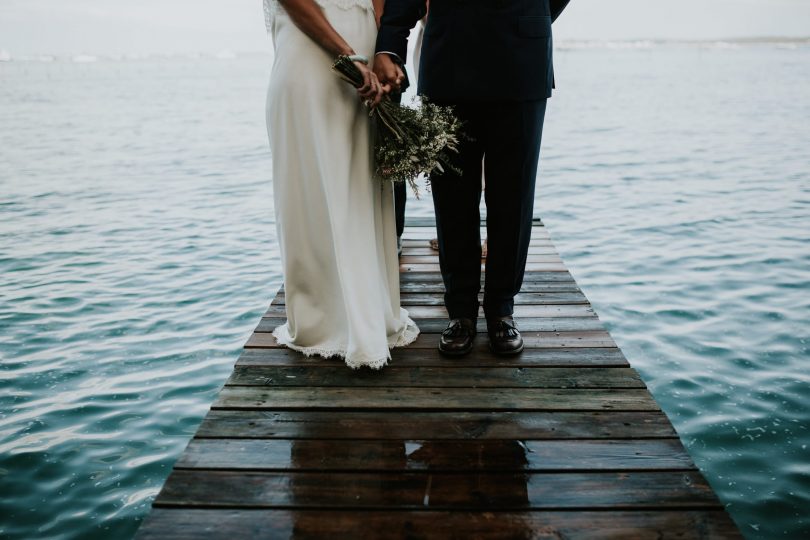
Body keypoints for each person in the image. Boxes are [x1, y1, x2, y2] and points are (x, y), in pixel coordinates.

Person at [374, 0, 570, 356]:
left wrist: (531, 12)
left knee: (514, 197)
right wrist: (390, 43)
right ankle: (460, 311)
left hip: (521, 58)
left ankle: (501, 309)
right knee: (452, 198)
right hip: (450, 61)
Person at [263, 0, 419, 370]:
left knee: (361, 183)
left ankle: (371, 313)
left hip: (366, 53)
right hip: (313, 50)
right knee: (316, 187)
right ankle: (325, 318)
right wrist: (347, 56)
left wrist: (386, 53)